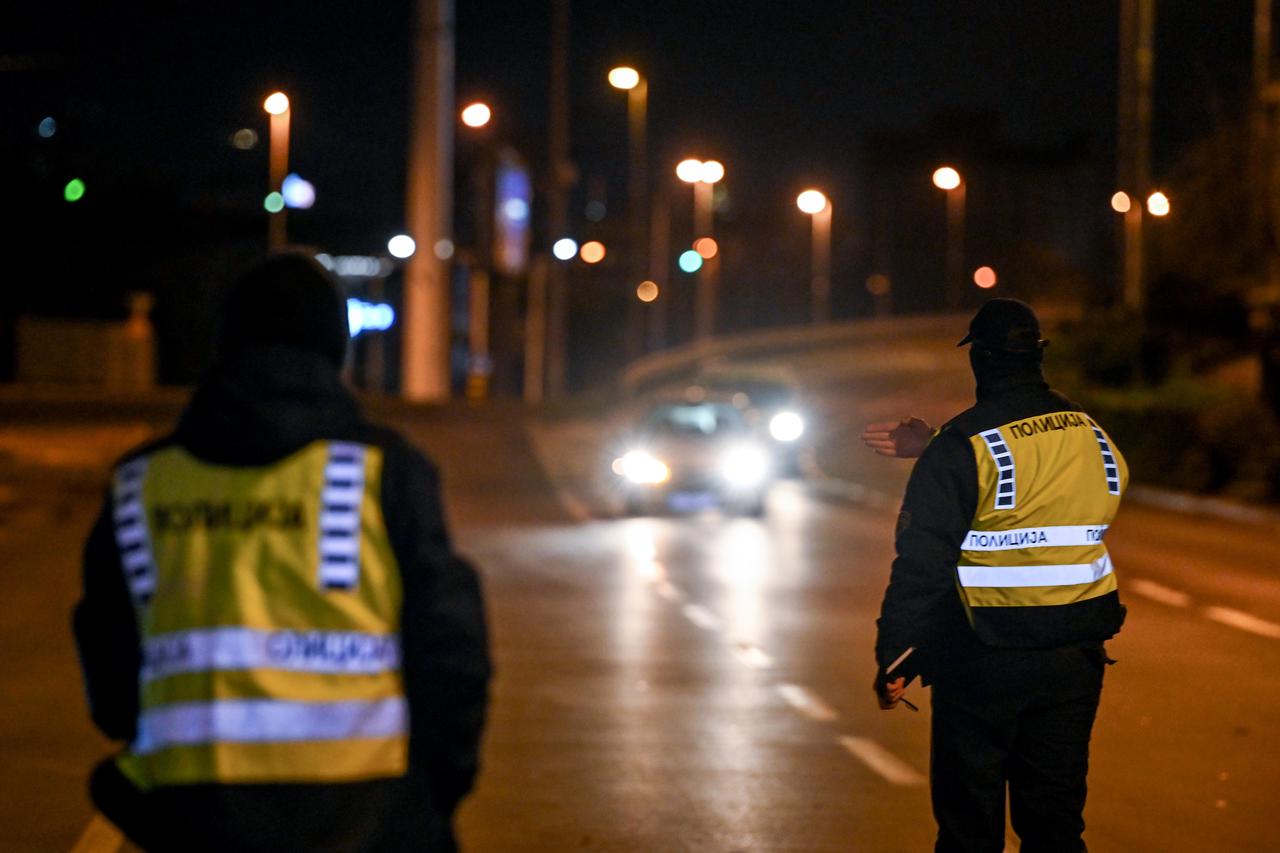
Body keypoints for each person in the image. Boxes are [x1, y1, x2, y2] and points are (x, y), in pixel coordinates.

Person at [73, 254, 491, 852]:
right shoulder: (386, 472)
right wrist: (431, 795)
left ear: (226, 343)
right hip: (368, 816)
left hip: (190, 817)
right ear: (333, 349)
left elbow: (109, 656)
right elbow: (452, 649)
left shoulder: (142, 482)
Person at [863, 298, 1127, 852]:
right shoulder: (1091, 433)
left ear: (979, 360)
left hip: (983, 656)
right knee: (1056, 826)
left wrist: (896, 654)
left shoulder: (963, 446)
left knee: (969, 830)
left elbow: (922, 563)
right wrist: (938, 445)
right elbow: (1035, 475)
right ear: (1037, 356)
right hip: (1074, 656)